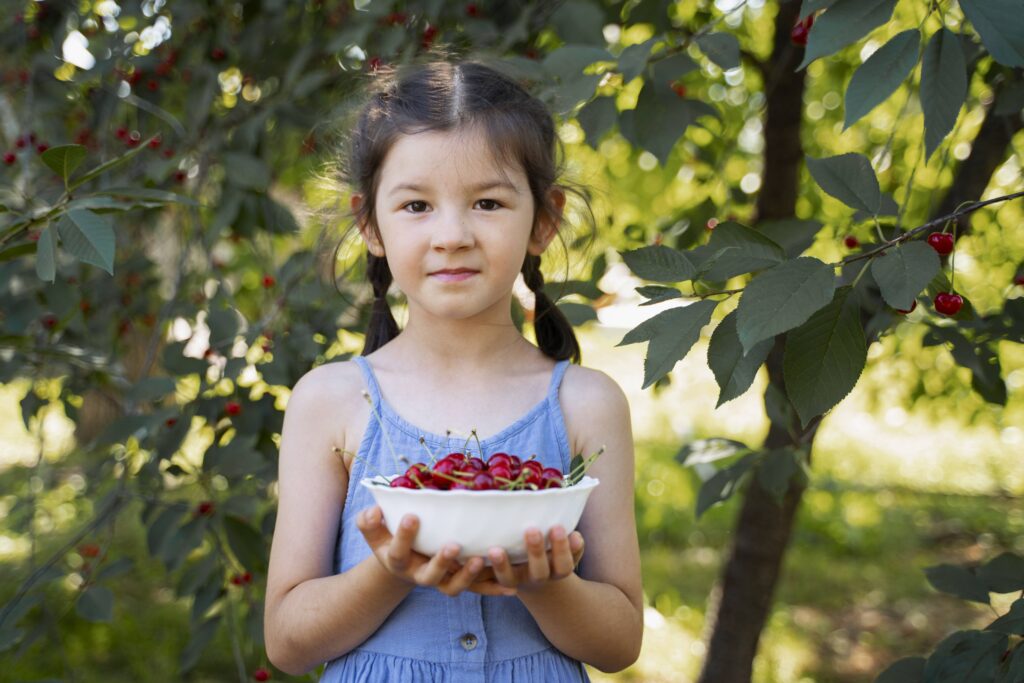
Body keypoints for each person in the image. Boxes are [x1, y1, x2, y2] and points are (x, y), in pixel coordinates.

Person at [264, 57, 643, 682]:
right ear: (370, 225)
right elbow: (287, 641)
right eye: (416, 205)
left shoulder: (585, 404)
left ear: (543, 221)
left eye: (488, 202)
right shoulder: (330, 402)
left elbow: (620, 641)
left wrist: (544, 584)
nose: (452, 235)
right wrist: (390, 570)